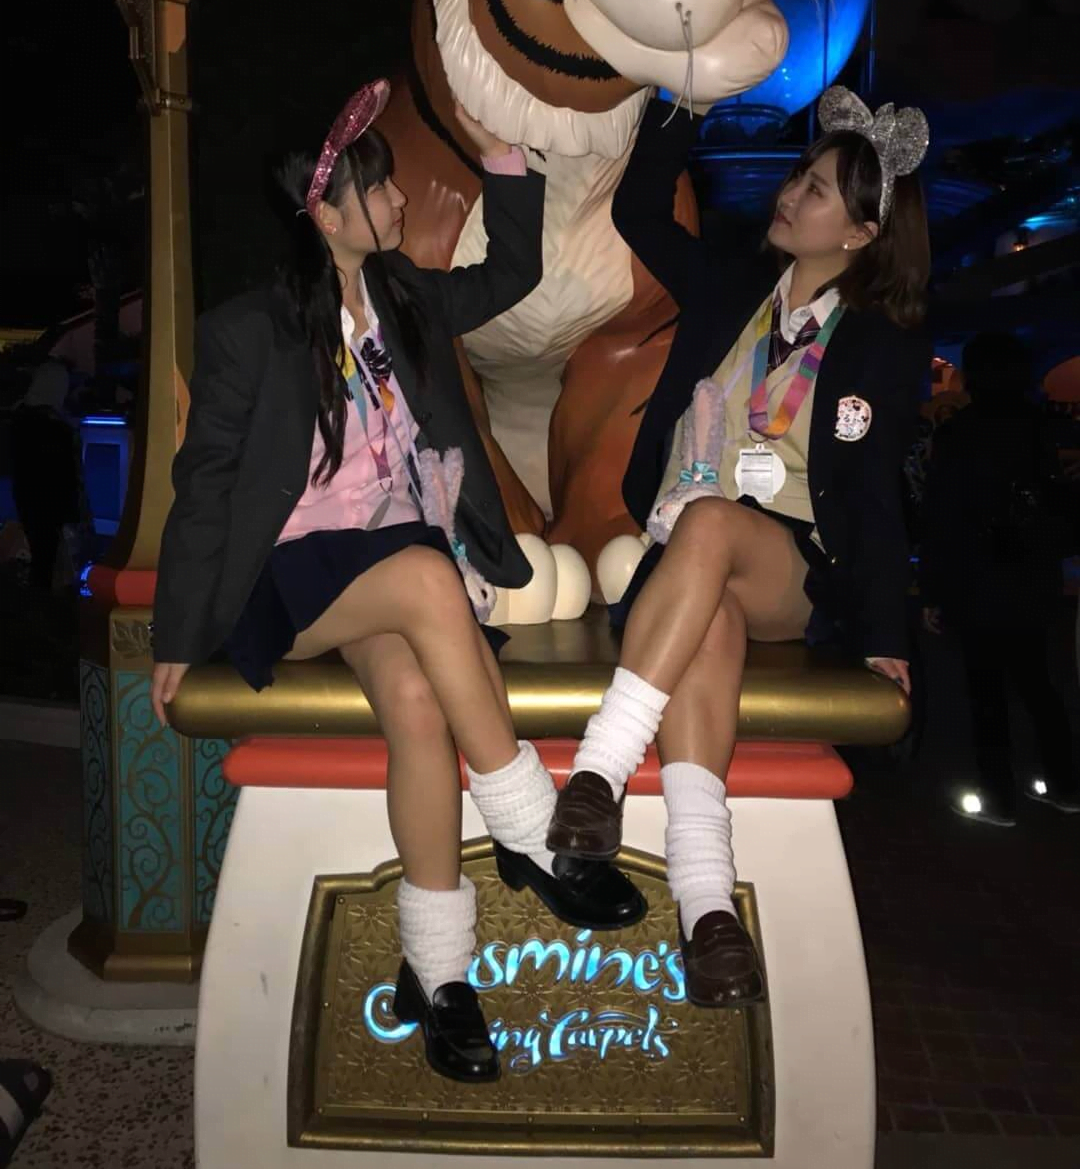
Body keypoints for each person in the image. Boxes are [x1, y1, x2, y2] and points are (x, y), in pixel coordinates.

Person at [150, 81, 643, 1084]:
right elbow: (203, 485)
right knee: (422, 575)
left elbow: (513, 271)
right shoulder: (248, 329)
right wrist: (174, 635)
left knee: (417, 704)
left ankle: (440, 978)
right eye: (375, 191)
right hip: (292, 575)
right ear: (324, 216)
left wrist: (504, 158)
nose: (398, 201)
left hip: (387, 564)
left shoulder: (406, 298)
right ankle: (533, 833)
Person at [547, 86, 933, 1007]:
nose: (791, 193)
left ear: (862, 234)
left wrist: (888, 634)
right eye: (799, 175)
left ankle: (599, 770)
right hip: (686, 560)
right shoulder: (731, 288)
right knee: (708, 612)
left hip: (791, 564)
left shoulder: (878, 343)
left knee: (717, 527)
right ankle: (708, 910)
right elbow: (641, 212)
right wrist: (682, 103)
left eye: (818, 191)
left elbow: (874, 495)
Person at [921, 332, 1080, 824]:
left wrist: (933, 591)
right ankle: (1065, 783)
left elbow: (942, 517)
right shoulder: (1040, 426)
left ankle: (999, 795)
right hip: (1031, 571)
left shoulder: (958, 433)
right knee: (1038, 683)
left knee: (985, 689)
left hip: (977, 575)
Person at [9, 357, 80, 591]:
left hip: (27, 495)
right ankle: (45, 598)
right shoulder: (54, 426)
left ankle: (39, 594)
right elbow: (65, 473)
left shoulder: (21, 417)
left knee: (41, 553)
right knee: (48, 555)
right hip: (49, 500)